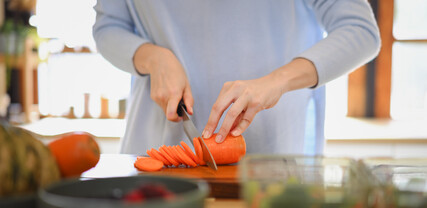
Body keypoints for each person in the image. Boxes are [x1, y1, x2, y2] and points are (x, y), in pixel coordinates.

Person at [92, 0, 380, 156]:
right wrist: (152, 57)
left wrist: (277, 81)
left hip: (273, 152)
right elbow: (108, 26)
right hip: (157, 144)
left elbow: (360, 30)